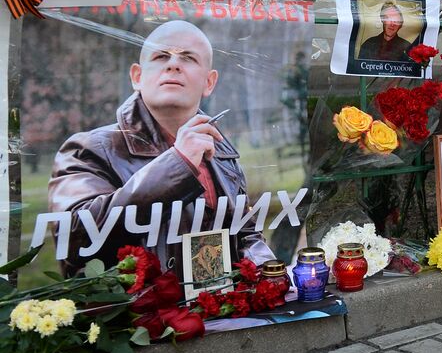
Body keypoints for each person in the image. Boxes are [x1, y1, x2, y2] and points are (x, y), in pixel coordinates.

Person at [49, 21, 274, 273]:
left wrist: (270, 277)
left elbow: (245, 235)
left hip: (219, 306)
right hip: (140, 310)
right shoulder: (89, 148)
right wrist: (179, 163)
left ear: (209, 83)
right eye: (161, 56)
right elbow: (74, 240)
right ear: (137, 77)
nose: (173, 64)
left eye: (188, 58)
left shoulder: (220, 150)